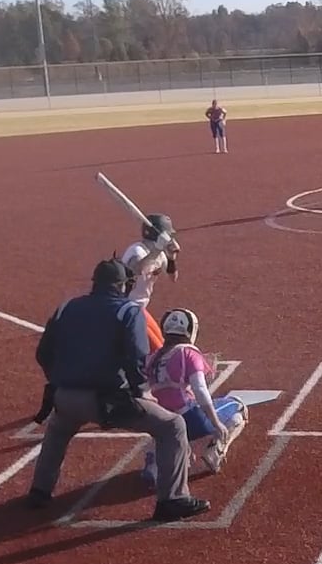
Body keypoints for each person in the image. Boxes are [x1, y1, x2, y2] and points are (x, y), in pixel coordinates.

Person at [25, 259, 203, 520]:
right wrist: (142, 391)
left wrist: (58, 380)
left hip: (65, 398)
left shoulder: (66, 307)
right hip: (109, 402)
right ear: (122, 286)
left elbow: (43, 353)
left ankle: (40, 491)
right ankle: (172, 499)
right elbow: (136, 358)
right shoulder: (128, 311)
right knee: (172, 426)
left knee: (57, 431)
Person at [142, 308, 248, 479]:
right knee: (238, 406)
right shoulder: (188, 353)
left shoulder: (152, 358)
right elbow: (200, 389)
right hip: (189, 419)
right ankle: (215, 452)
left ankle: (156, 459)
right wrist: (216, 423)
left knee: (165, 430)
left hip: (159, 422)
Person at [120, 214, 181, 349]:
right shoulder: (137, 251)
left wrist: (171, 259)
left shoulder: (160, 254)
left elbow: (173, 278)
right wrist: (158, 249)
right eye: (168, 235)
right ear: (159, 236)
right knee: (156, 348)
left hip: (139, 309)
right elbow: (138, 269)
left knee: (162, 343)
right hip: (125, 308)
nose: (171, 238)